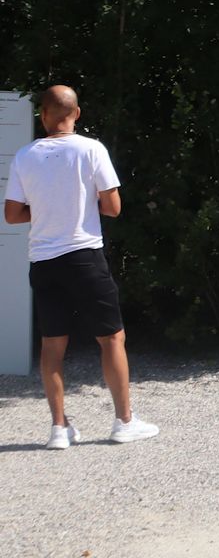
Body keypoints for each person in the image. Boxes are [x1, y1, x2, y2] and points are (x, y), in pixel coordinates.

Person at [2, 85, 159, 447]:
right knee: (112, 338)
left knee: (52, 347)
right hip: (84, 256)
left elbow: (12, 215)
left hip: (43, 261)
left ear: (42, 116)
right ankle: (124, 421)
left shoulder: (26, 155)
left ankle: (59, 429)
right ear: (76, 113)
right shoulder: (91, 149)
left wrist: (43, 210)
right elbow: (113, 208)